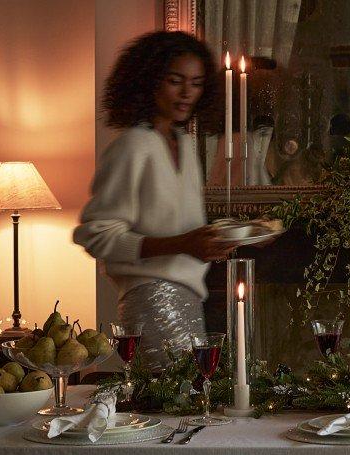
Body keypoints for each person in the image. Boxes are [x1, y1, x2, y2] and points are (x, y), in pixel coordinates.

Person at [74, 31, 236, 367]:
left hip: (191, 299)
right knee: (171, 409)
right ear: (149, 81)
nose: (187, 93)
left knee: (191, 406)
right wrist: (183, 244)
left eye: (196, 82)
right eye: (175, 80)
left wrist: (226, 238)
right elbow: (96, 234)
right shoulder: (133, 145)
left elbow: (186, 231)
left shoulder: (186, 145)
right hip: (150, 299)